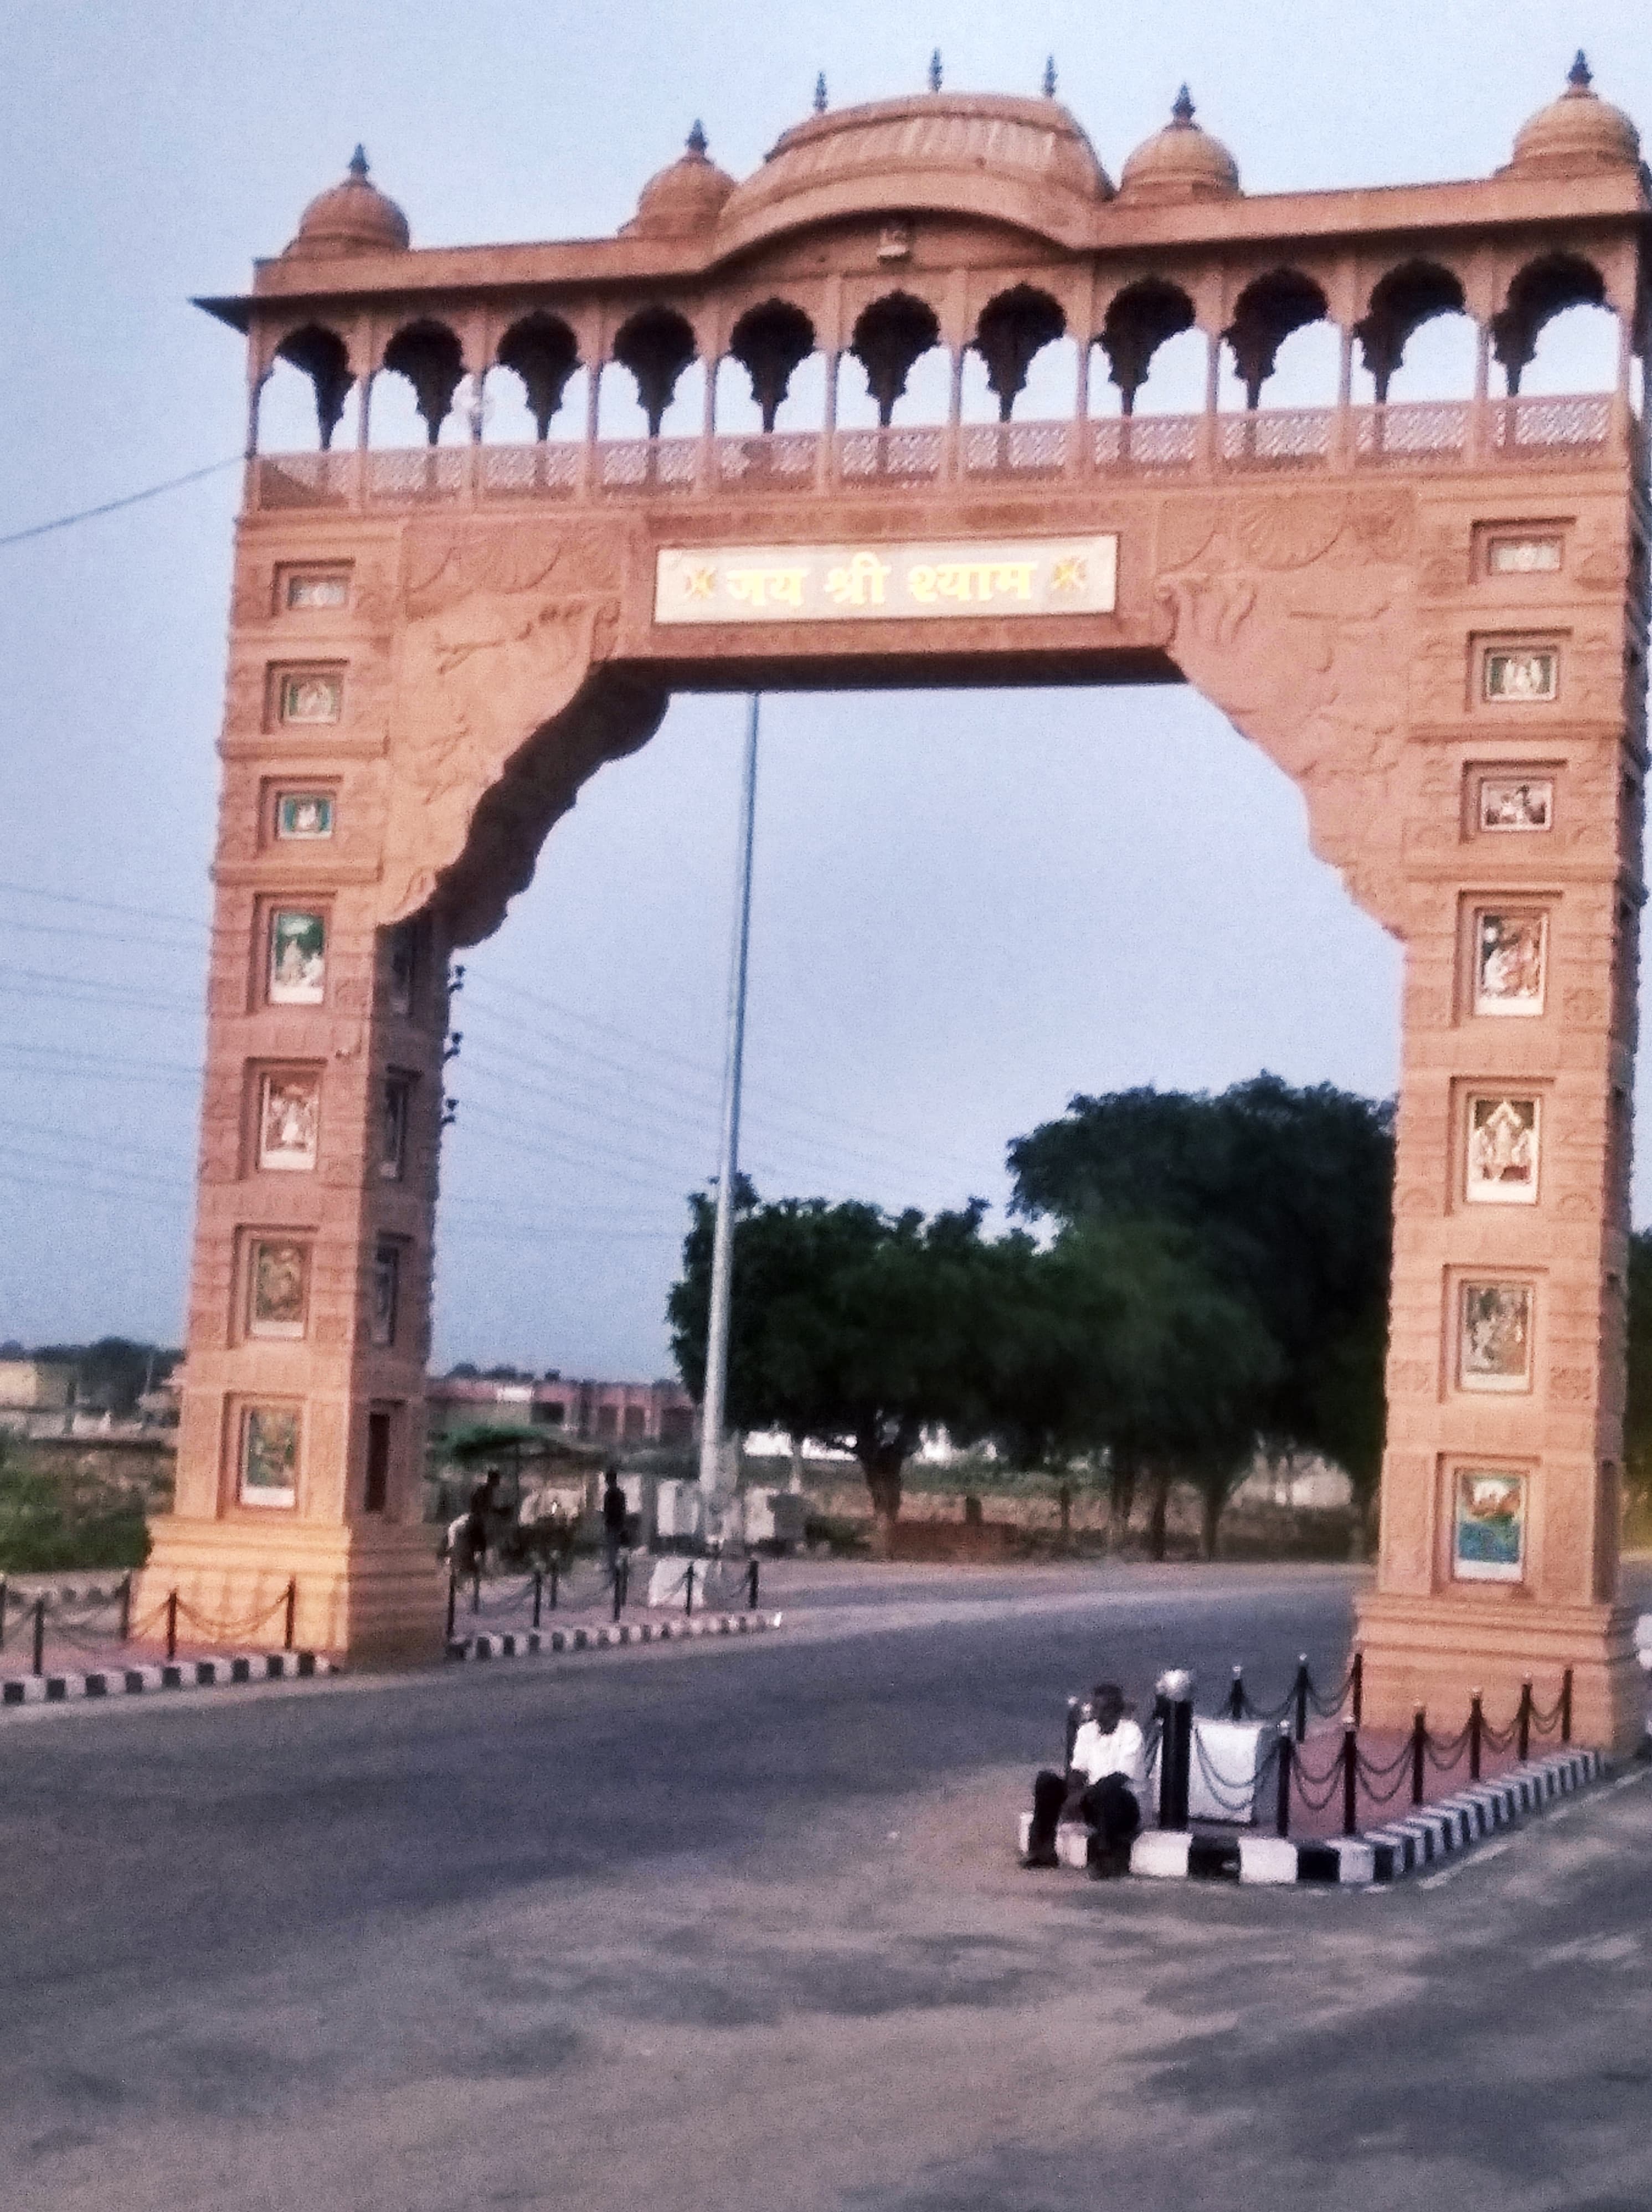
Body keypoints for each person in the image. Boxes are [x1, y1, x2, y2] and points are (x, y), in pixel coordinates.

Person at [1023, 1681, 1145, 1877]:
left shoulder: (1131, 1732)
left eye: (1105, 1710)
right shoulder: (1087, 1731)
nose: (1099, 1715)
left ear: (1117, 1711)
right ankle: (1043, 1851)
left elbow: (1119, 1778)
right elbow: (1078, 1770)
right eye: (1096, 1709)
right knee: (1047, 1781)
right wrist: (1072, 1795)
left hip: (1123, 1807)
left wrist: (1081, 1796)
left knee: (1107, 1791)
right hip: (1093, 1800)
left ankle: (1109, 1861)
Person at [600, 1465, 628, 1583]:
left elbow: (607, 1512)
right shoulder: (621, 1494)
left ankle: (613, 1575)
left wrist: (606, 1522)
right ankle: (619, 1574)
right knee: (617, 1551)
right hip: (619, 1525)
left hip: (611, 1526)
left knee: (612, 1551)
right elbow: (623, 1511)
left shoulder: (608, 1495)